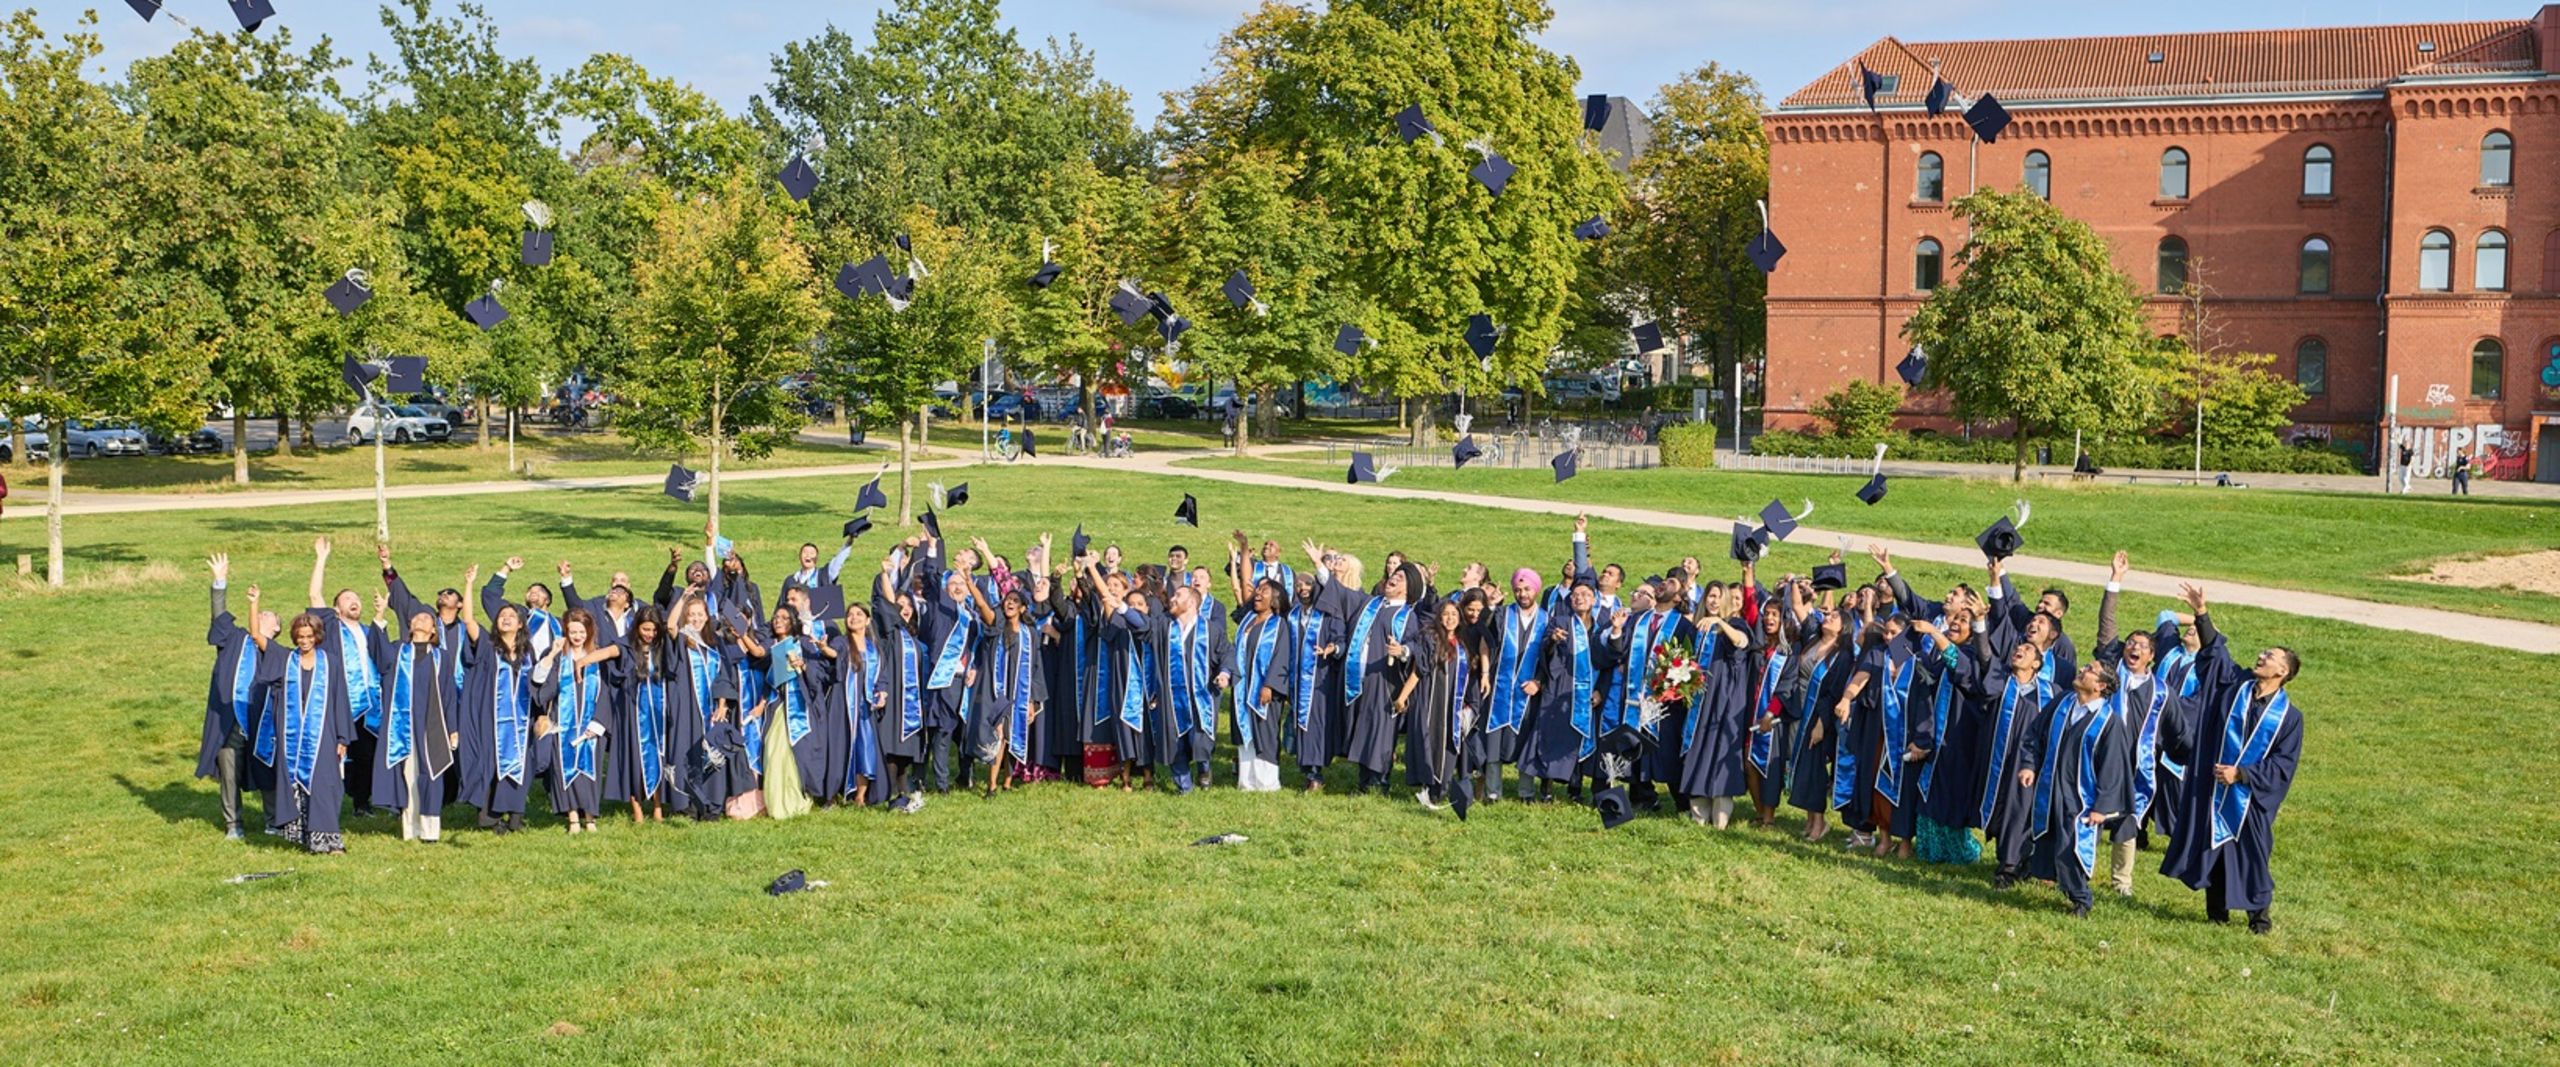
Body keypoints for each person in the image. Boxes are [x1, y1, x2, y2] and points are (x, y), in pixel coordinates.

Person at [2157, 583, 2304, 934]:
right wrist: (2202, 613)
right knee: (2214, 850)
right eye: (2264, 652)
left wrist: (2243, 774)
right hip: (2213, 787)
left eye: (2271, 656)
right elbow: (2215, 653)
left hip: (2248, 797)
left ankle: (2259, 919)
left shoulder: (2288, 717)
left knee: (2252, 855)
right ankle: (2216, 915)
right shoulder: (2233, 685)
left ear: (2282, 673)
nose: (2262, 656)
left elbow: (2284, 764)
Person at [2018, 660, 2131, 916]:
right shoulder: (2062, 703)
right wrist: (2029, 765)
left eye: (2089, 671)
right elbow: (2036, 734)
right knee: (2044, 834)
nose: (2082, 671)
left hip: (2081, 797)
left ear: (2101, 686)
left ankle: (2081, 899)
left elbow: (2113, 768)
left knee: (2071, 845)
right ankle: (2031, 871)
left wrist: (2103, 807)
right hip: (2051, 786)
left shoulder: (2109, 723)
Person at [253, 611, 355, 854]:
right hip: (292, 737)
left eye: (309, 636)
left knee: (324, 785)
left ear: (317, 636)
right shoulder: (285, 659)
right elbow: (257, 636)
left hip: (324, 733)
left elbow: (340, 698)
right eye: (300, 636)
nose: (304, 640)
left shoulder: (330, 662)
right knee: (297, 786)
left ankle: (331, 840)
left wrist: (343, 737)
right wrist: (254, 603)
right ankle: (309, 839)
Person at [198, 554, 276, 841]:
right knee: (229, 772)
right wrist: (220, 581)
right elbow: (218, 616)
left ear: (276, 628)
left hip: (261, 723)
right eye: (262, 612)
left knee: (268, 772)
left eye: (269, 615)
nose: (264, 615)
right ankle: (234, 824)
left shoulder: (276, 653)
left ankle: (273, 820)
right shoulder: (234, 639)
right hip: (230, 721)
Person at [456, 565, 536, 835]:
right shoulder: (489, 647)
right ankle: (489, 818)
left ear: (521, 623)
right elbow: (468, 621)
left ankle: (515, 816)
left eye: (511, 615)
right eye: (502, 615)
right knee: (490, 764)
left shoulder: (528, 653)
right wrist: (468, 584)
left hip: (522, 720)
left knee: (521, 766)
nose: (506, 618)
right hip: (491, 718)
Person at [308, 538, 386, 817]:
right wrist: (321, 558)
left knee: (367, 756)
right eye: (347, 599)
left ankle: (361, 804)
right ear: (337, 608)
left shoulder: (367, 631)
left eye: (356, 599)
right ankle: (325, 803)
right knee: (336, 755)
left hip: (370, 703)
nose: (354, 602)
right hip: (341, 701)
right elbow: (315, 597)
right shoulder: (331, 627)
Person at [372, 597, 457, 842]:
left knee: (431, 775)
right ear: (410, 627)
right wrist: (379, 616)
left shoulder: (441, 657)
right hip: (403, 725)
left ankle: (430, 831)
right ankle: (410, 829)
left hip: (432, 725)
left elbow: (449, 694)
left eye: (426, 618)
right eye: (416, 617)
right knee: (408, 775)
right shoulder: (398, 651)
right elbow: (378, 654)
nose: (420, 619)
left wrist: (453, 729)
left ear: (433, 630)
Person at [534, 608, 620, 833]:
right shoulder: (559, 657)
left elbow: (607, 692)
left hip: (592, 725)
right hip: (563, 725)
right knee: (565, 771)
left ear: (589, 631)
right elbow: (542, 687)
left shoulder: (598, 656)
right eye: (572, 631)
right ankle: (572, 818)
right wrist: (551, 654)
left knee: (588, 772)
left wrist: (599, 722)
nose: (577, 636)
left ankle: (590, 818)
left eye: (581, 631)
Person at [974, 588, 1046, 795]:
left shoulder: (1030, 634)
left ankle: (1007, 782)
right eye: (1007, 600)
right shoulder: (996, 628)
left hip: (1021, 695)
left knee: (1014, 737)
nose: (1010, 603)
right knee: (1000, 738)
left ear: (1023, 608)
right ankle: (992, 784)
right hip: (998, 693)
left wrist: (1032, 700)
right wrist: (970, 582)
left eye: (1015, 600)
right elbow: (982, 606)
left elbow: (1035, 668)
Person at [1227, 576, 1295, 792]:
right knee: (1244, 729)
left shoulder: (1279, 625)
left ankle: (1267, 783)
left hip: (1264, 688)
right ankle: (1246, 782)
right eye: (1257, 590)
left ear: (1275, 599)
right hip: (1242, 687)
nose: (1258, 593)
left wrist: (1270, 685)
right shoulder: (1248, 620)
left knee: (1264, 732)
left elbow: (1281, 657)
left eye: (1264, 591)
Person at [609, 605, 676, 823]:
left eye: (654, 630)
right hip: (633, 712)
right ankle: (636, 808)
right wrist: (581, 661)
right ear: (637, 627)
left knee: (659, 756)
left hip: (658, 711)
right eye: (646, 629)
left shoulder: (663, 648)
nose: (650, 634)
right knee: (634, 758)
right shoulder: (626, 646)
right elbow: (608, 653)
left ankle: (658, 807)